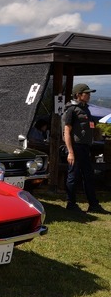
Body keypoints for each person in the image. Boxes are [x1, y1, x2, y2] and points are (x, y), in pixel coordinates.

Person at [62, 84, 109, 214]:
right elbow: (67, 131)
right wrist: (70, 152)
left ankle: (93, 205)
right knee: (73, 176)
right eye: (86, 93)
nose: (89, 95)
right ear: (78, 95)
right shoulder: (71, 109)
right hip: (75, 148)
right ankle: (71, 204)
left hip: (85, 148)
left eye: (89, 93)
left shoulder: (86, 109)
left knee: (88, 176)